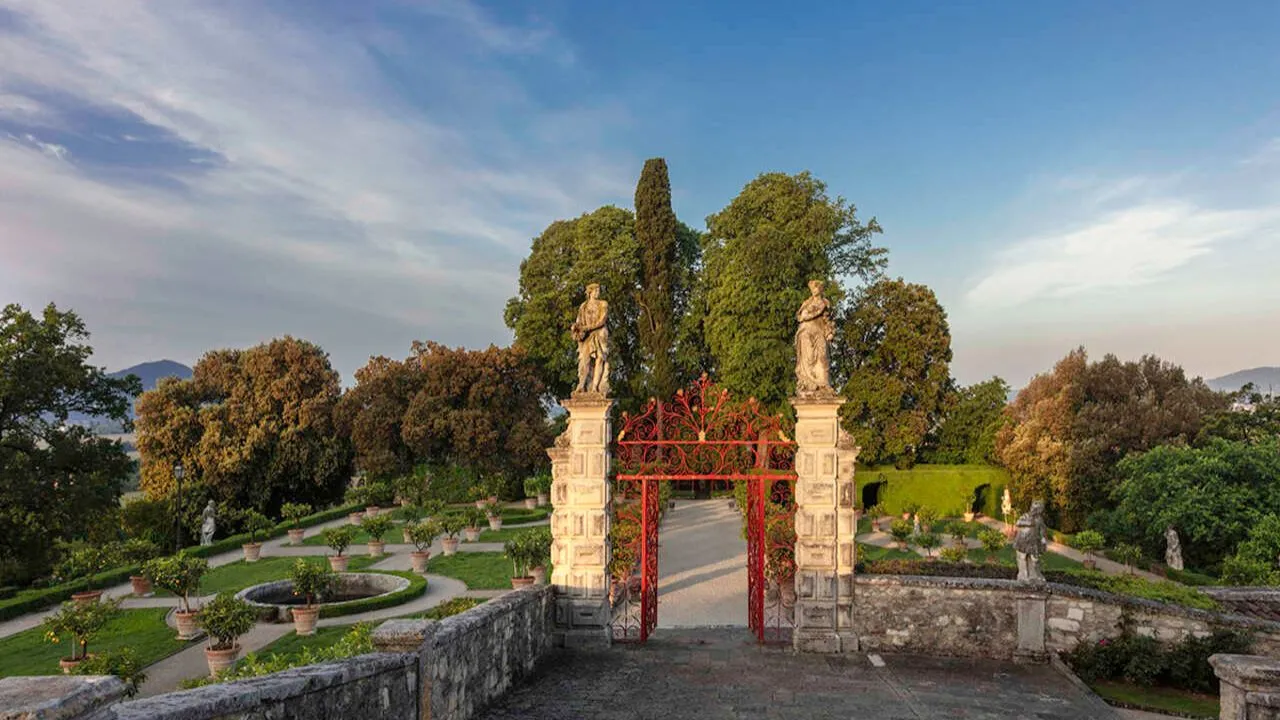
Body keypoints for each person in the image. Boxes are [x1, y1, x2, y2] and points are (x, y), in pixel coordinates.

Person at [794, 279, 834, 396]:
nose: (813, 291)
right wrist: (806, 316)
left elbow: (828, 320)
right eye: (812, 288)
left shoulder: (825, 303)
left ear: (820, 289)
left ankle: (823, 384)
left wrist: (829, 332)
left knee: (823, 357)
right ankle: (809, 383)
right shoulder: (807, 303)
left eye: (816, 288)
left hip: (819, 332)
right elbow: (801, 316)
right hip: (805, 332)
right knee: (808, 358)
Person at [572, 283, 610, 395]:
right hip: (587, 336)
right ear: (590, 292)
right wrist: (575, 327)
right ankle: (582, 384)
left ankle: (595, 387)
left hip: (600, 334)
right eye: (596, 291)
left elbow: (602, 321)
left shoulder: (603, 304)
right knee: (585, 360)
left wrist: (587, 327)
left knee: (599, 359)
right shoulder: (583, 306)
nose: (598, 293)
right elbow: (579, 321)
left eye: (598, 291)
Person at [1013, 500, 1047, 582]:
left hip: (1033, 542)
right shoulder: (1026, 516)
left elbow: (1042, 529)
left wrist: (1043, 539)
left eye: (1038, 510)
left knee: (1035, 559)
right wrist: (1028, 523)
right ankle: (1024, 575)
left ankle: (1035, 575)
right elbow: (1018, 523)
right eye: (1034, 509)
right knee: (1023, 557)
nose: (1035, 511)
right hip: (1023, 541)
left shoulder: (1039, 519)